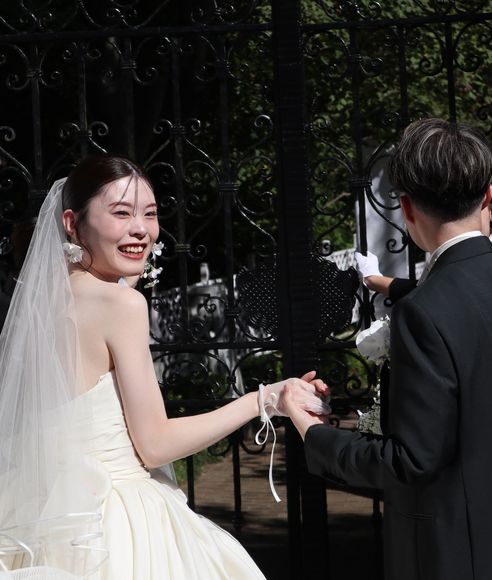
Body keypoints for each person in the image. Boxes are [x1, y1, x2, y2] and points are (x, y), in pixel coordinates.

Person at [0, 155, 330, 579]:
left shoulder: (43, 304)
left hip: (54, 518)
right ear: (72, 223)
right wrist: (264, 400)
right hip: (119, 521)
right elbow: (155, 445)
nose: (141, 229)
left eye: (151, 214)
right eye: (121, 213)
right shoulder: (122, 305)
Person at [283, 118, 492, 579]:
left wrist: (312, 431)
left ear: (406, 207)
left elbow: (411, 462)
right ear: (487, 196)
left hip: (464, 559)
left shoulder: (424, 310)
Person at [355, 183, 492, 302]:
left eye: (474, 204)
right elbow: (430, 294)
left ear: (490, 206)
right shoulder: (445, 260)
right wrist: (375, 280)